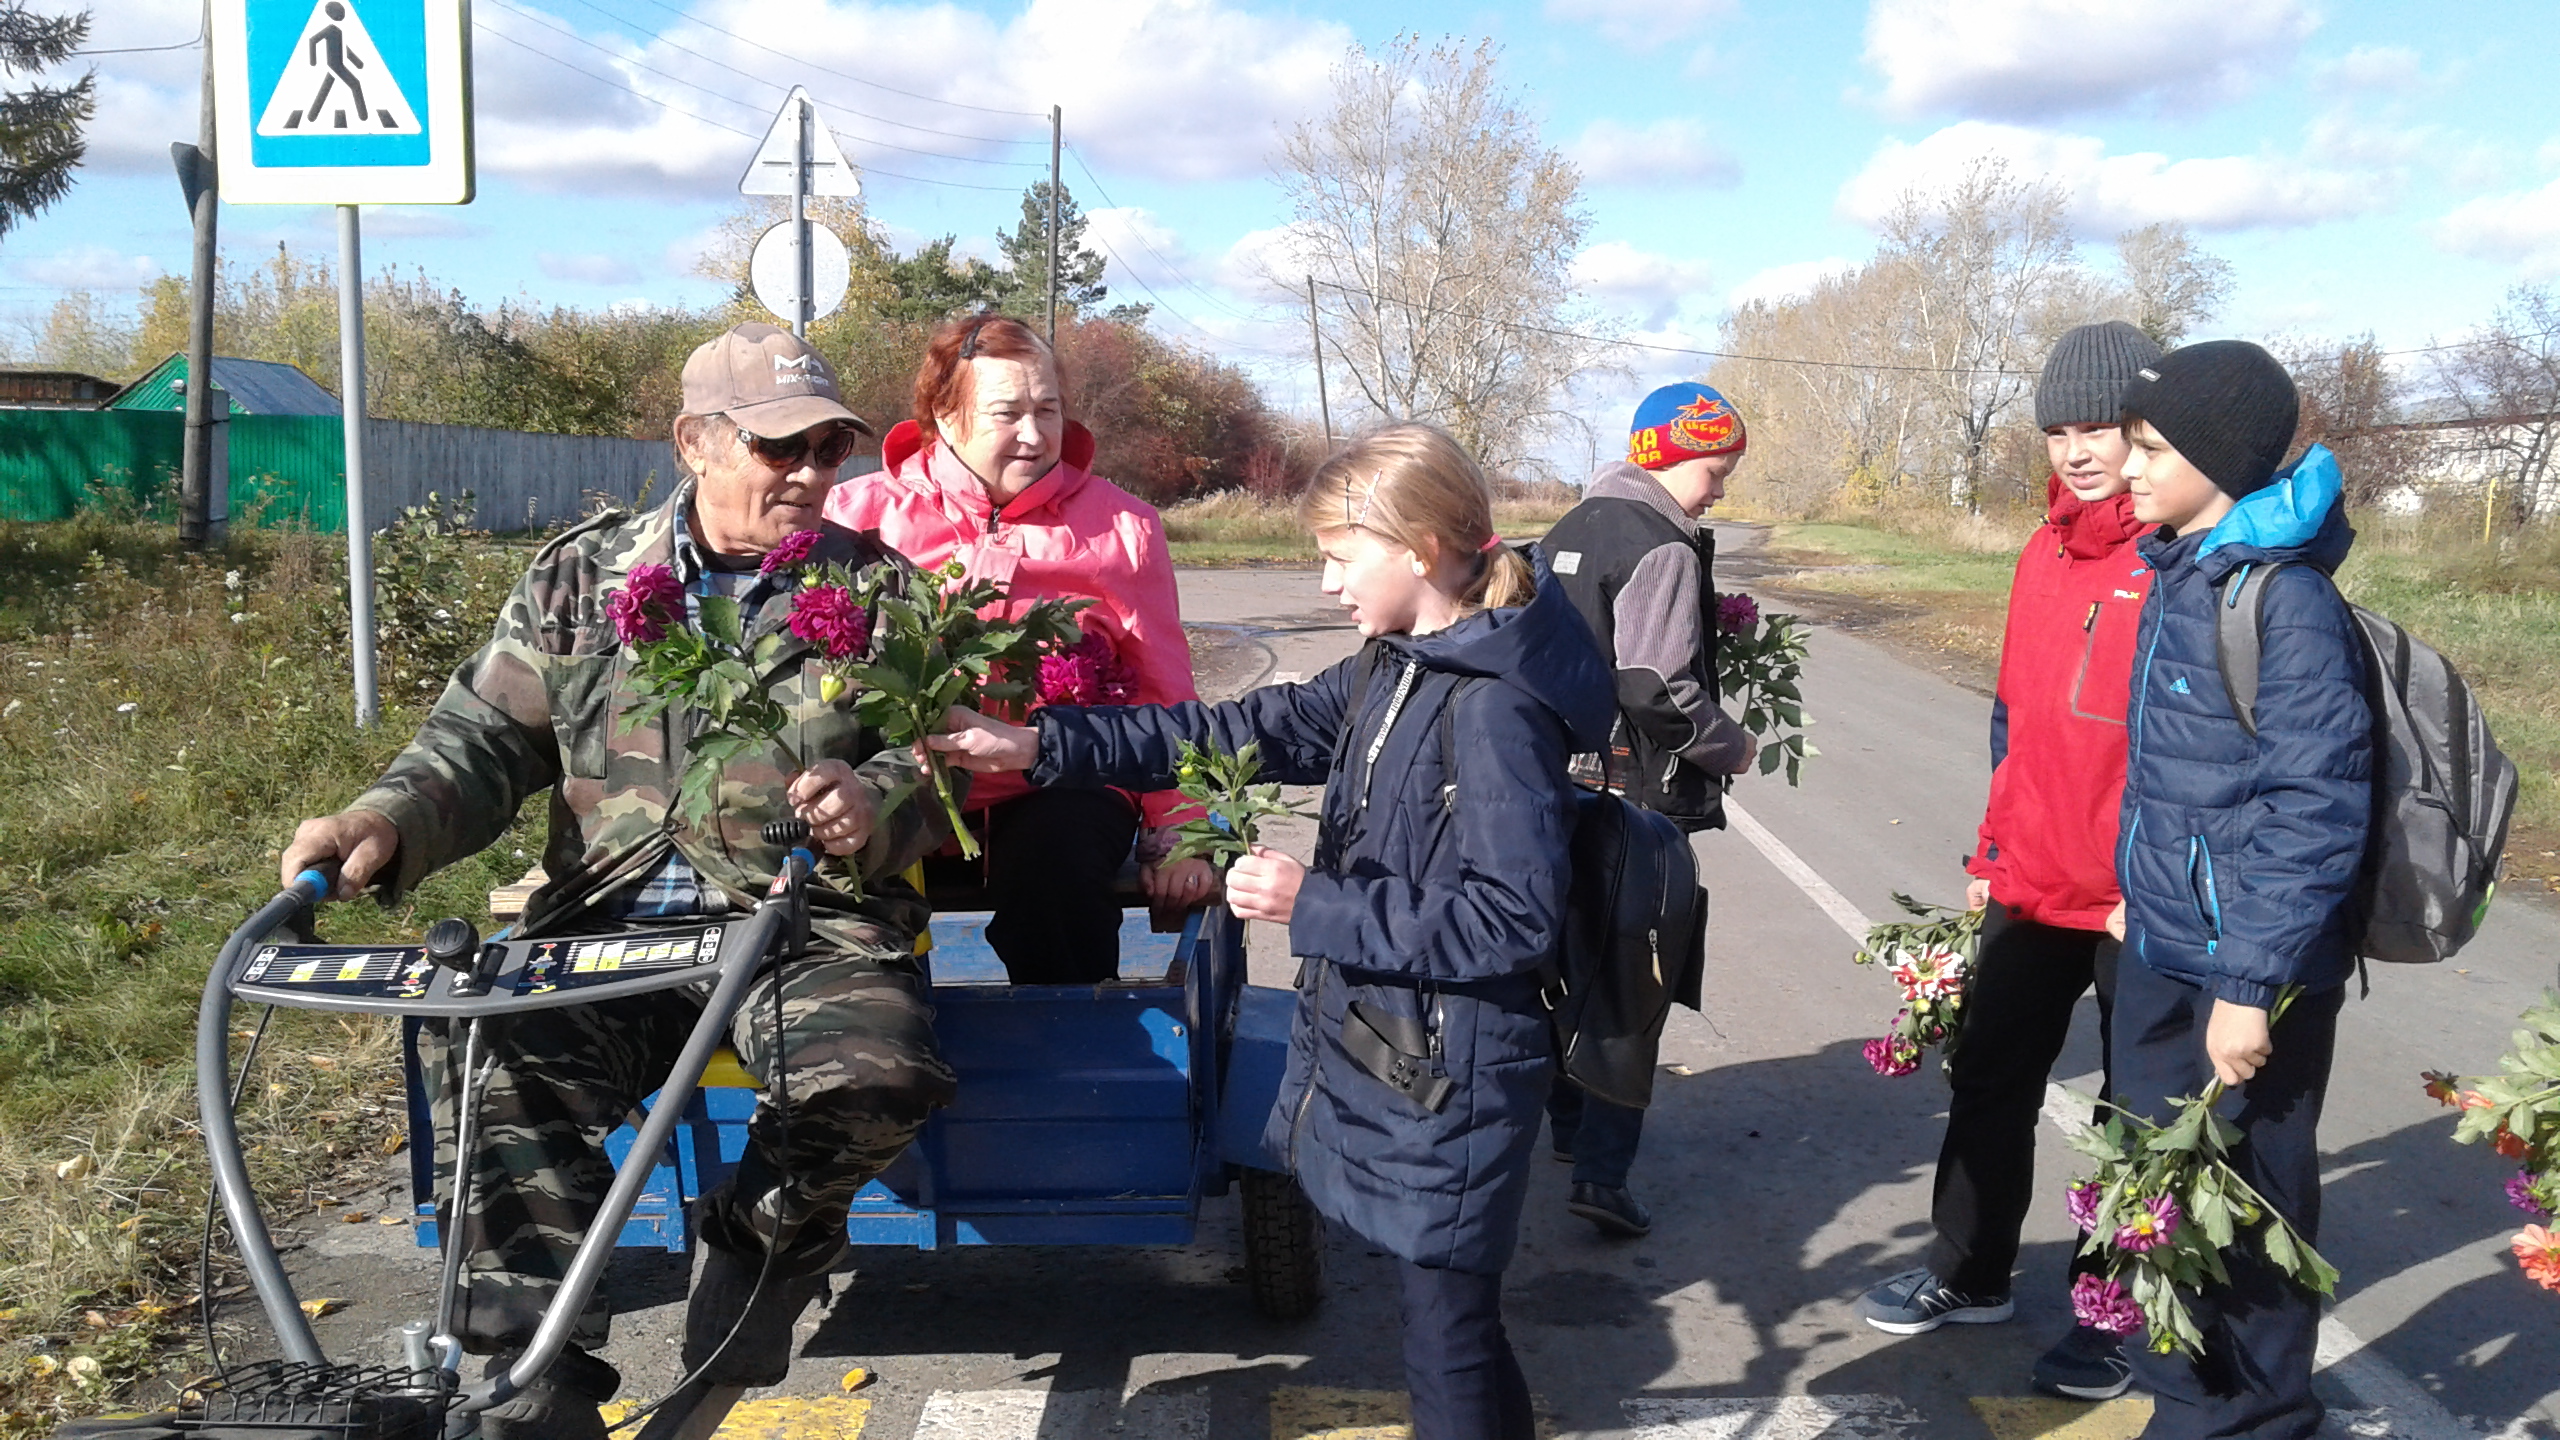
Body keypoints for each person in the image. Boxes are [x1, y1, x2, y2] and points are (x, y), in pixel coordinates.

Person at [280, 323, 960, 1439]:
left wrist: (875, 797)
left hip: (803, 927)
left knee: (874, 1078)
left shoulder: (879, 591)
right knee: (494, 1060)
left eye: (830, 448)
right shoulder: (583, 578)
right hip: (610, 923)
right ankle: (529, 1379)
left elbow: (940, 761)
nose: (809, 473)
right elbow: (481, 742)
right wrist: (381, 820)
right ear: (696, 442)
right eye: (779, 447)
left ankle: (755, 1248)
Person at [928, 423, 1613, 1440]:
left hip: (1459, 1063)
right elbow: (1234, 729)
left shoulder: (1494, 710)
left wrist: (1313, 904)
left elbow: (1510, 920)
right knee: (1452, 1328)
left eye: (1340, 557)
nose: (1328, 584)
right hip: (1415, 1049)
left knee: (1448, 1339)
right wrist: (1038, 745)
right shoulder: (1398, 665)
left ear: (1419, 549)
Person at [1855, 321, 2162, 1400]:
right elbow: (2016, 719)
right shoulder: (2043, 552)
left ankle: (2109, 1314)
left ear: (2145, 431)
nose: (2077, 452)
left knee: (2138, 1115)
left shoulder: (2178, 555)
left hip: (2135, 899)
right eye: (2058, 431)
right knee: (1988, 1076)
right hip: (2032, 879)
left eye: (2100, 429)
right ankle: (1970, 1269)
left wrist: (2154, 882)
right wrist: (1992, 850)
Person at [2108, 341, 2369, 1440]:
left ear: (2219, 461)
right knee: (2162, 1195)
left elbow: (2316, 808)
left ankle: (2262, 1419)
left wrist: (2249, 987)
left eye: (2151, 447)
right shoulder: (2181, 571)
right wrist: (2138, 888)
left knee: (2251, 1207)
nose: (2126, 466)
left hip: (2249, 972)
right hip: (2167, 947)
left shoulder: (2283, 600)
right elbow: (2179, 776)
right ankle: (2187, 1405)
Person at [824, 312, 1214, 984]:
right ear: (945, 417)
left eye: (1048, 410)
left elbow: (1163, 688)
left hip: (1055, 784)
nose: (1034, 435)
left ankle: (1071, 1043)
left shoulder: (1125, 528)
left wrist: (1180, 827)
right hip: (900, 782)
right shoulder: (854, 517)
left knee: (1058, 867)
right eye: (1007, 413)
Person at [1536, 381, 1759, 1239]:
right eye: (1715, 470)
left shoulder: (1570, 528)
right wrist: (1729, 746)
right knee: (1635, 977)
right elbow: (1656, 686)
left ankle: (1565, 1126)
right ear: (1668, 456)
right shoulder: (1661, 546)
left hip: (1555, 779)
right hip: (1634, 796)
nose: (1720, 491)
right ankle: (1603, 1174)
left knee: (1561, 962)